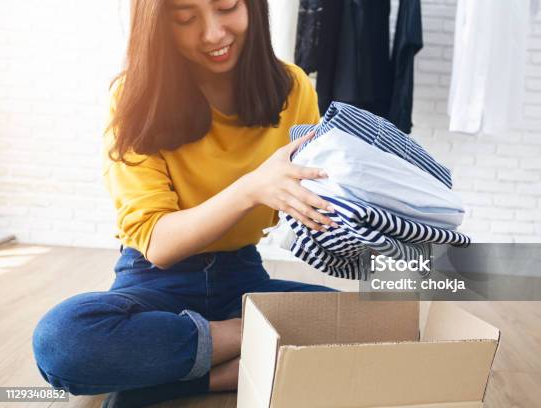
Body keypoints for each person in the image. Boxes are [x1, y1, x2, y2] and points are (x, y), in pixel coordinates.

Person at [31, 0, 338, 406]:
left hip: (240, 277)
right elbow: (159, 244)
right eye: (185, 17)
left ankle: (176, 371)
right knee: (62, 341)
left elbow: (308, 203)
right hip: (154, 283)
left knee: (367, 321)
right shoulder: (133, 97)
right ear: (159, 25)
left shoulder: (292, 87)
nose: (212, 33)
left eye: (227, 7)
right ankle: (244, 342)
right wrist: (251, 188)